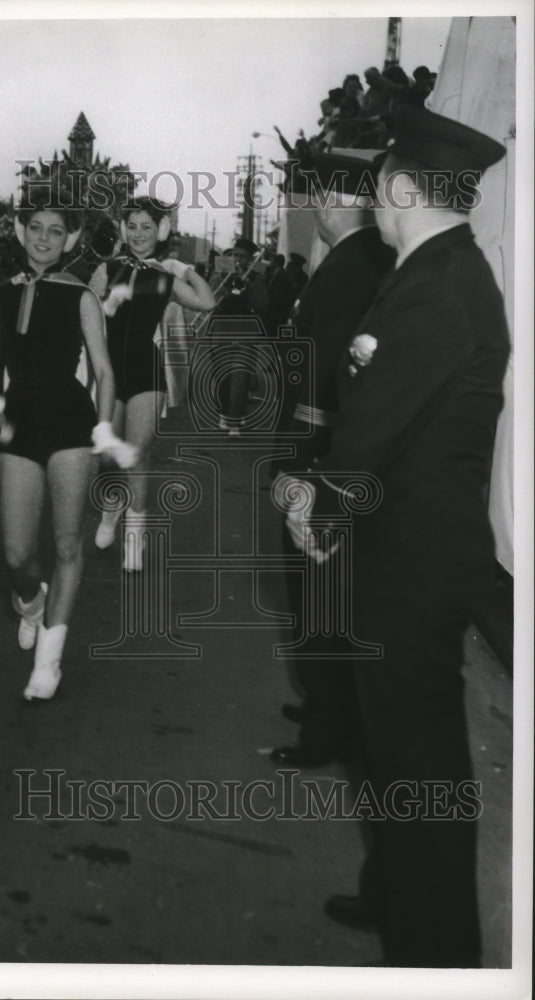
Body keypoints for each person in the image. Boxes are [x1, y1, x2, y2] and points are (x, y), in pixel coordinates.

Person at [282, 105, 509, 967]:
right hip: (402, 551)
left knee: (418, 760)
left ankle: (435, 952)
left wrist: (320, 501)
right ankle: (399, 898)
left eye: (378, 181)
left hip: (412, 565)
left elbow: (377, 416)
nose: (370, 197)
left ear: (403, 186)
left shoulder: (441, 286)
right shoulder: (433, 271)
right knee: (395, 752)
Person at [0, 190, 133, 702]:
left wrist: (104, 427)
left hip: (69, 423)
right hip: (19, 423)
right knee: (18, 554)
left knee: (66, 544)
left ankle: (49, 661)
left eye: (56, 231)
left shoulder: (81, 296)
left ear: (72, 239)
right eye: (35, 228)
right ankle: (31, 603)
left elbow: (104, 371)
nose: (44, 238)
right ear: (22, 232)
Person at [269, 153, 396, 768]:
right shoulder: (357, 259)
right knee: (322, 593)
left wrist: (303, 463)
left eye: (318, 196)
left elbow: (328, 377)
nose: (313, 207)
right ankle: (328, 703)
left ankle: (327, 729)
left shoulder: (352, 266)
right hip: (323, 448)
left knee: (318, 594)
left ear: (337, 202)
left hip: (318, 451)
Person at [89, 197, 215, 569]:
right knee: (110, 457)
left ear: (160, 232)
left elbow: (205, 302)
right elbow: (88, 315)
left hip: (147, 370)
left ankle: (134, 539)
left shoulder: (166, 276)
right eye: (132, 226)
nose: (139, 233)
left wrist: (186, 269)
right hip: (109, 372)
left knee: (138, 454)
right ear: (123, 229)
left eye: (147, 227)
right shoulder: (105, 269)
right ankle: (111, 509)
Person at [208, 237, 269, 436]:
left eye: (242, 257)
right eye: (235, 255)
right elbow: (211, 299)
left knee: (240, 376)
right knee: (222, 374)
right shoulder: (221, 273)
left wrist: (248, 284)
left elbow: (262, 305)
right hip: (222, 328)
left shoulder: (257, 277)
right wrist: (224, 281)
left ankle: (234, 420)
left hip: (246, 329)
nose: (237, 259)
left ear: (250, 259)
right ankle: (225, 412)